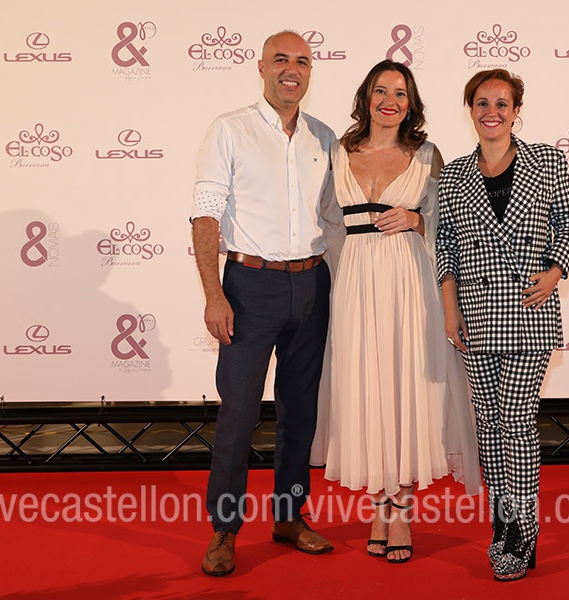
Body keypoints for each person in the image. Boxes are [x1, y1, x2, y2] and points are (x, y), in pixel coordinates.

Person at [311, 60, 481, 564]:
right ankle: (377, 506)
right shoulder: (336, 153)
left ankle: (401, 510)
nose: (390, 101)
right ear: (366, 97)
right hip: (355, 286)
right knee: (365, 390)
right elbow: (324, 225)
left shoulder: (427, 155)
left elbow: (453, 227)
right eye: (381, 91)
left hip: (411, 284)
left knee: (408, 392)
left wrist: (417, 219)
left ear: (411, 104)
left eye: (401, 93)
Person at [190, 30, 340, 577]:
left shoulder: (324, 137)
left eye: (302, 61)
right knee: (239, 413)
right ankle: (225, 529)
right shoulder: (229, 129)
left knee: (301, 411)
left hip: (312, 284)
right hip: (249, 287)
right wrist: (214, 294)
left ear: (310, 72)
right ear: (261, 67)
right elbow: (205, 214)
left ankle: (289, 516)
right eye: (281, 59)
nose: (291, 70)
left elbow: (340, 215)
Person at [436, 69, 569, 581]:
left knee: (515, 421)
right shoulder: (453, 175)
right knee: (489, 426)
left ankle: (523, 526)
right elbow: (446, 245)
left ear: (517, 110)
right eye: (482, 103)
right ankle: (502, 521)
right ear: (470, 110)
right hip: (476, 317)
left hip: (528, 313)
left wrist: (556, 269)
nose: (492, 111)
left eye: (502, 103)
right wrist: (450, 309)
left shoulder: (547, 161)